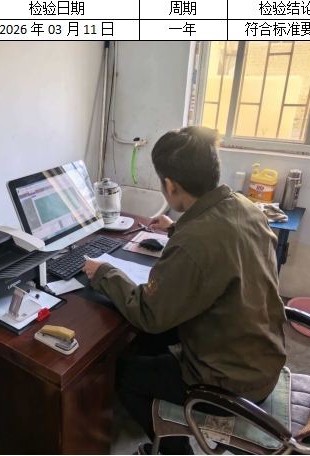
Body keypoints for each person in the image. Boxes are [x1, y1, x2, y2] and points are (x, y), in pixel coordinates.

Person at [82, 126, 286, 455]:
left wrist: (104, 272)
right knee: (148, 343)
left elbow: (149, 314)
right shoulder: (245, 206)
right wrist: (177, 227)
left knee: (120, 373)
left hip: (228, 384)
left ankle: (173, 450)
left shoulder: (195, 242)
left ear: (171, 185)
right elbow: (220, 241)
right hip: (260, 359)